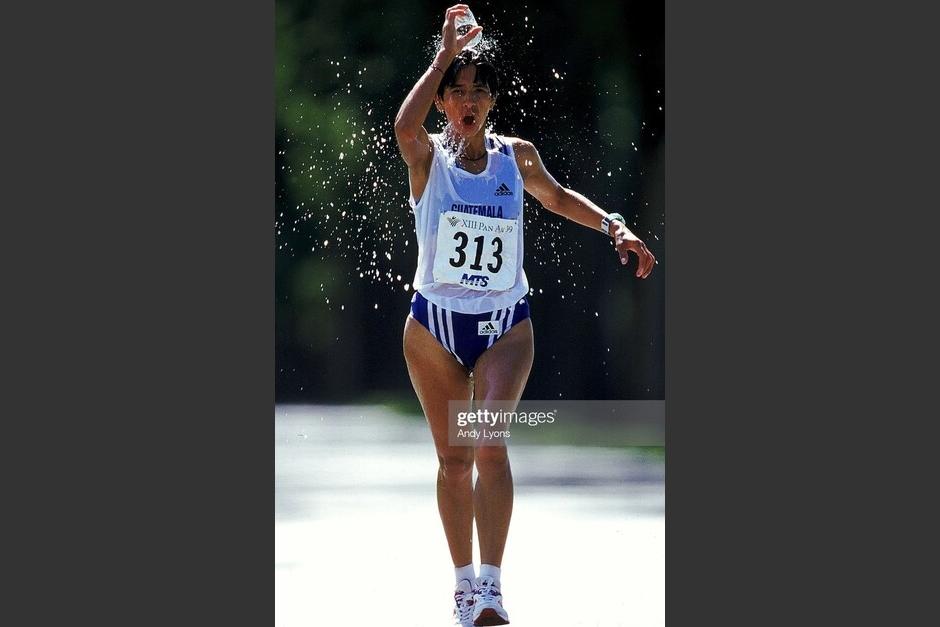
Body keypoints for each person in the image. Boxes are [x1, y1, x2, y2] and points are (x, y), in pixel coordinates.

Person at [394, 5, 655, 625]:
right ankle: (462, 587)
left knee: (487, 442)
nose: (466, 100)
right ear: (442, 101)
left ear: (491, 101)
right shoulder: (428, 158)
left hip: (506, 326)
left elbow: (559, 197)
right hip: (433, 328)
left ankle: (492, 587)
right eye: (455, 90)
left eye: (477, 90)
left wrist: (612, 225)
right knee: (454, 461)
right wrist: (441, 56)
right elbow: (402, 126)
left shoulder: (518, 157)